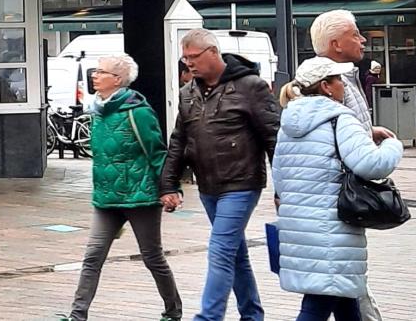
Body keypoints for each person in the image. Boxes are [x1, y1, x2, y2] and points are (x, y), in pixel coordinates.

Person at [159, 29, 281, 321]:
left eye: (193, 57)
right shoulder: (189, 91)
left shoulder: (250, 86)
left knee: (220, 250)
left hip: (242, 182)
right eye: (185, 58)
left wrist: (283, 188)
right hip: (208, 185)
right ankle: (252, 315)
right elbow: (179, 140)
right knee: (235, 253)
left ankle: (208, 317)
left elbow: (274, 138)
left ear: (212, 52)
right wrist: (168, 183)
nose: (188, 64)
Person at [272, 57, 404, 321]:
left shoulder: (288, 124)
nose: (344, 86)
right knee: (319, 302)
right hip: (332, 229)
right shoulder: (340, 118)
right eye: (339, 80)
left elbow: (280, 178)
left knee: (343, 298)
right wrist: (393, 145)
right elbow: (372, 164)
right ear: (326, 86)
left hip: (299, 227)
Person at [65, 54, 182, 321]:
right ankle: (77, 315)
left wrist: (170, 189)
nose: (94, 75)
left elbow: (157, 153)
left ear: (117, 80)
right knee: (92, 257)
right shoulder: (97, 111)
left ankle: (173, 311)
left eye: (100, 71)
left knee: (152, 257)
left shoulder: (137, 112)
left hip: (140, 197)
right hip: (106, 198)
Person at [310, 10, 394, 321]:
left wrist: (366, 131)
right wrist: (386, 151)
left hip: (343, 195)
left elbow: (344, 129)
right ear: (336, 44)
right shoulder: (330, 84)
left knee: (345, 281)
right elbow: (334, 139)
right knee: (341, 282)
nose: (362, 40)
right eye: (355, 34)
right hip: (338, 195)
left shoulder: (346, 77)